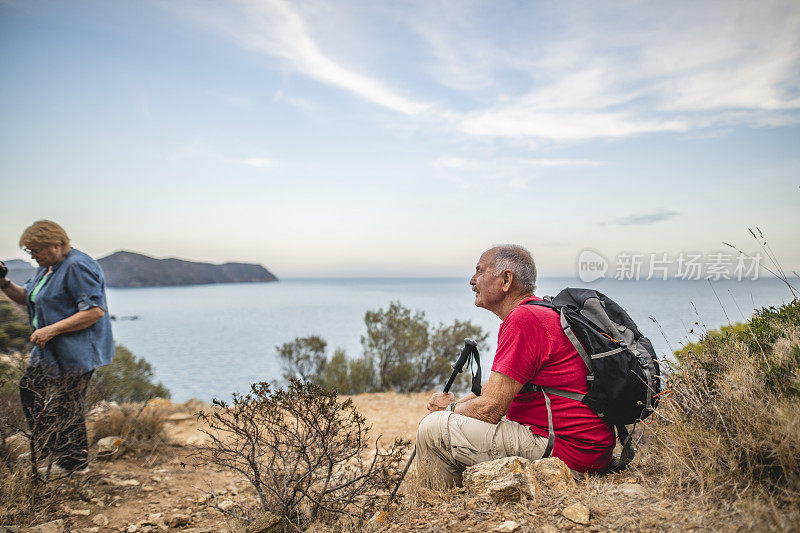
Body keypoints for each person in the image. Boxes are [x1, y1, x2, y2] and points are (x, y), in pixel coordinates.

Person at [416, 245, 614, 487]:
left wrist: (446, 411)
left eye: (480, 271)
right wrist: (454, 407)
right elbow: (492, 391)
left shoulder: (525, 319)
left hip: (566, 451)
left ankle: (438, 506)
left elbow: (491, 408)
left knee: (432, 429)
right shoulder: (539, 313)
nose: (472, 280)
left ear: (506, 279)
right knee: (446, 422)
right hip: (586, 448)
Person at [0, 220, 114, 474]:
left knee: (67, 405)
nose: (32, 257)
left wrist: (52, 329)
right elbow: (28, 298)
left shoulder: (77, 266)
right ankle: (55, 454)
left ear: (56, 244)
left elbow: (94, 312)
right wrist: (4, 283)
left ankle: (73, 464)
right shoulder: (48, 268)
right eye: (29, 252)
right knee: (31, 392)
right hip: (49, 352)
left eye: (35, 251)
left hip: (78, 351)